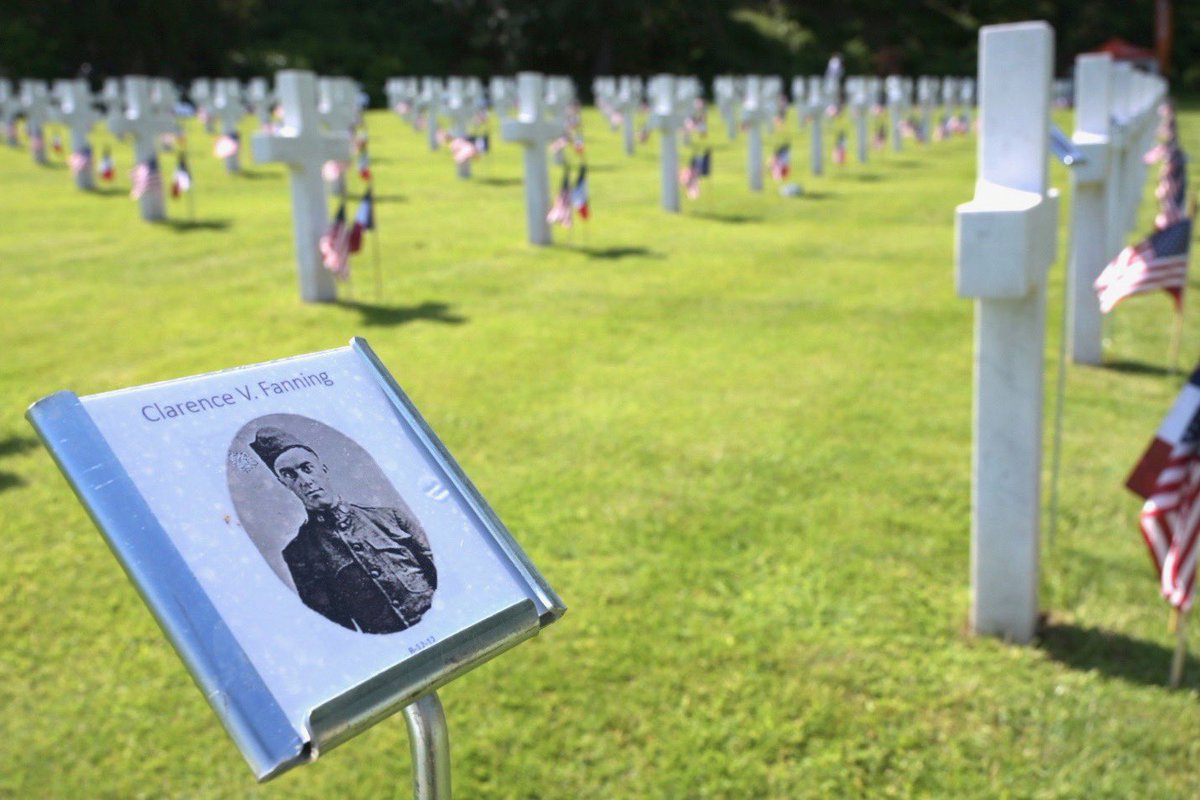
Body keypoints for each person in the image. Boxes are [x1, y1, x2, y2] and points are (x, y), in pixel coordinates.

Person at [250, 426, 437, 634]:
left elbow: (439, 571)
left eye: (307, 468)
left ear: (323, 468)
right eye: (289, 475)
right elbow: (335, 627)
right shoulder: (299, 553)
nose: (304, 481)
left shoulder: (391, 517)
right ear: (283, 483)